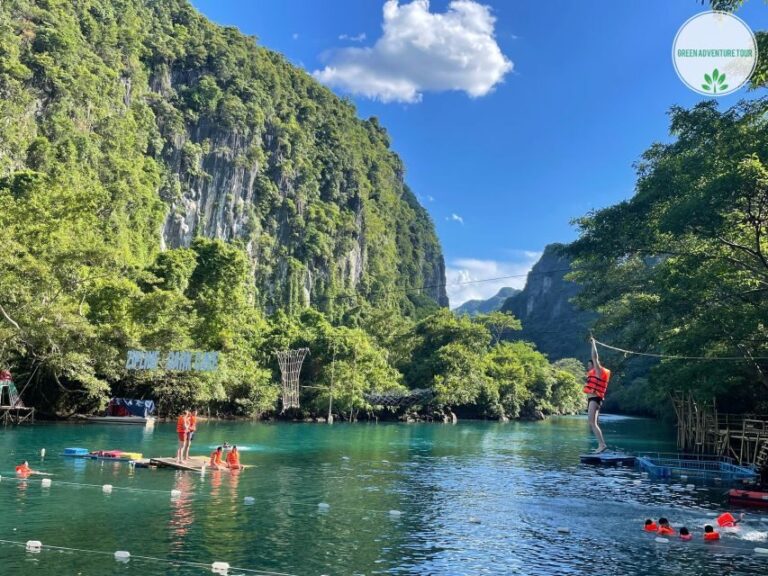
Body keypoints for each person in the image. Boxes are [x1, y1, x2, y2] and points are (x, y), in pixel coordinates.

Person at [583, 337, 611, 454]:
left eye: (590, 365)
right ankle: (601, 444)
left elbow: (595, 357)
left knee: (592, 422)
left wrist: (593, 343)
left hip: (595, 398)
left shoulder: (598, 372)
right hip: (594, 399)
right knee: (592, 422)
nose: (588, 367)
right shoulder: (592, 373)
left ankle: (602, 444)